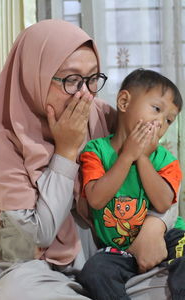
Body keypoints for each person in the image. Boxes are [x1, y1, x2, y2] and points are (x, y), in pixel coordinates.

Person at [0, 19, 180, 300]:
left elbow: (163, 172)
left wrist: (154, 226)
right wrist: (65, 152)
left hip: (109, 264)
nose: (84, 94)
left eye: (92, 79)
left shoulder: (101, 115)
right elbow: (39, 235)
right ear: (34, 75)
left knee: (173, 281)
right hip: (35, 273)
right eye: (71, 80)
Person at [77, 69, 185, 300]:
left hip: (168, 236)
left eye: (168, 120)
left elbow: (164, 202)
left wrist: (142, 157)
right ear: (124, 101)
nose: (160, 123)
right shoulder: (96, 151)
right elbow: (95, 199)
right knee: (93, 272)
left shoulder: (166, 160)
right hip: (120, 249)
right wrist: (127, 156)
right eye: (156, 109)